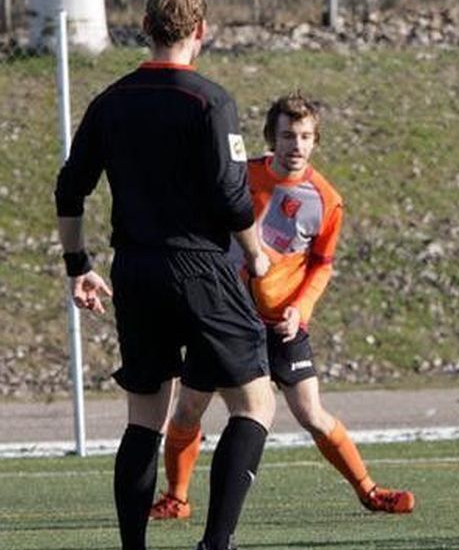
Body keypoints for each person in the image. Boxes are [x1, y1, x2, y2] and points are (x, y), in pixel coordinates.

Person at [55, 0, 276, 550]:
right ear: (200, 32)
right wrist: (257, 257)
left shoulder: (111, 100)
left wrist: (79, 264)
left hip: (136, 270)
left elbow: (70, 188)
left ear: (144, 28)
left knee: (144, 420)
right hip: (200, 268)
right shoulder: (210, 102)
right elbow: (233, 198)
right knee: (255, 404)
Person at [150, 93, 414, 523]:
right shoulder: (239, 177)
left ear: (315, 141)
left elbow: (322, 267)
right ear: (273, 137)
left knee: (311, 413)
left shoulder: (325, 200)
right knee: (188, 409)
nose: (297, 145)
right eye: (289, 135)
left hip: (281, 323)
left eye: (306, 136)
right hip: (226, 319)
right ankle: (177, 498)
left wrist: (300, 309)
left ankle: (368, 490)